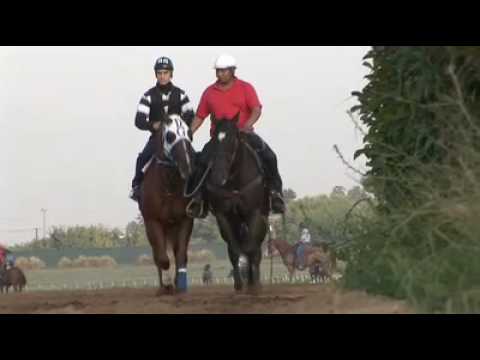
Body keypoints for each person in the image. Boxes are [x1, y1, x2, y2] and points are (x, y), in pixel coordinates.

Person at [187, 54, 285, 218]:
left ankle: (275, 195)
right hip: (219, 139)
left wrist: (247, 125)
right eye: (218, 71)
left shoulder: (245, 87)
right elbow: (200, 116)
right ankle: (199, 200)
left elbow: (256, 109)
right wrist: (188, 133)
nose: (220, 74)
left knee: (269, 156)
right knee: (201, 161)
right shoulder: (209, 92)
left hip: (243, 134)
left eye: (224, 71)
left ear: (232, 71)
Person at [129, 57, 195, 202]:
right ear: (156, 75)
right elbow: (139, 120)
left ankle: (197, 192)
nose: (162, 76)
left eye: (165, 72)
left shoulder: (181, 94)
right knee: (142, 158)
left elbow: (190, 115)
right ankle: (136, 187)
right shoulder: (148, 96)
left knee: (193, 157)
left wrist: (181, 126)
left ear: (171, 74)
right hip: (158, 138)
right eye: (159, 73)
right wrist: (153, 125)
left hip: (178, 138)